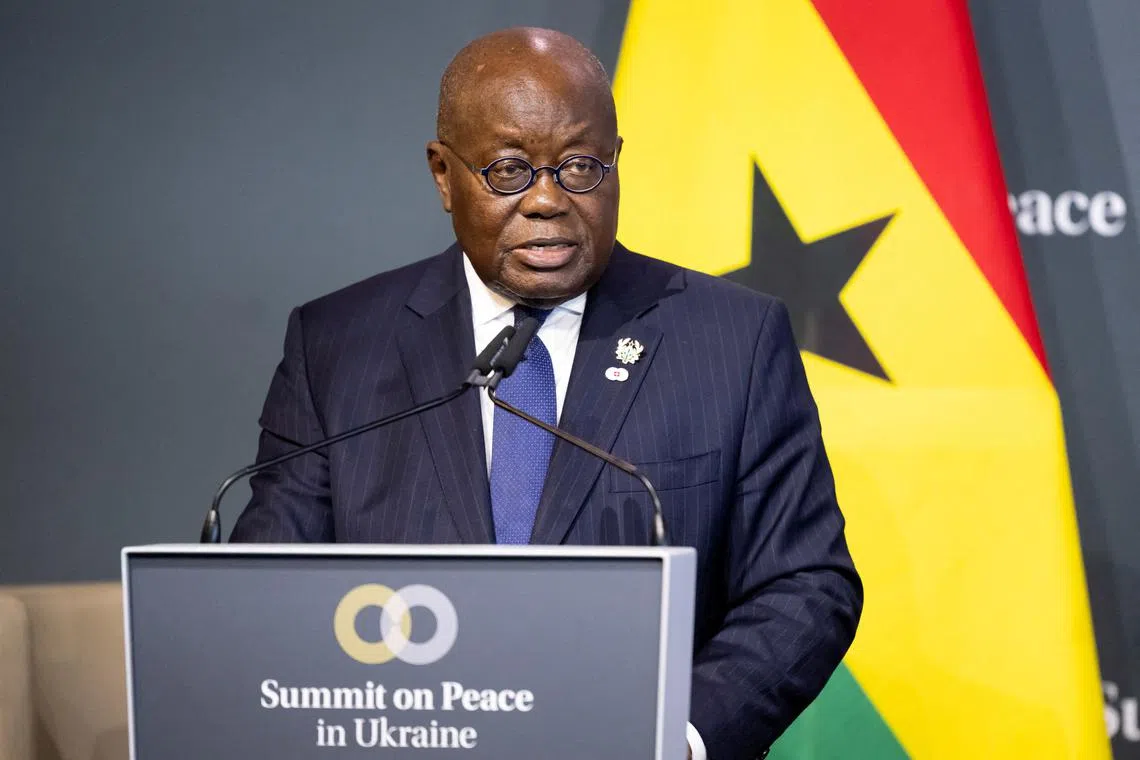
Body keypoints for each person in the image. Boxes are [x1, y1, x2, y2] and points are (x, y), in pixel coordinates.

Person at [231, 27, 862, 759]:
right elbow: (268, 588)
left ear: (617, 162)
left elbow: (805, 583)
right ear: (443, 174)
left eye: (579, 167)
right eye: (507, 171)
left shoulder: (732, 340)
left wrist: (675, 737)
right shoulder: (337, 346)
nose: (546, 201)